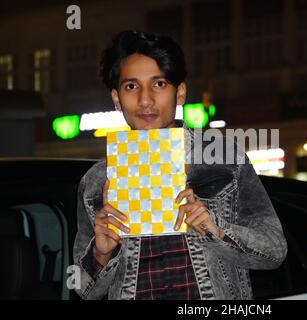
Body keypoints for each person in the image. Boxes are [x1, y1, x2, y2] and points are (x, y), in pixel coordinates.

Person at [73, 30, 287, 300]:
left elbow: (274, 251)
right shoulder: (96, 182)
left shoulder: (221, 158)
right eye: (131, 86)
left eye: (159, 84)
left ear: (181, 93)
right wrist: (101, 254)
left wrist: (216, 230)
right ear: (117, 99)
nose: (145, 100)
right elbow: (83, 288)